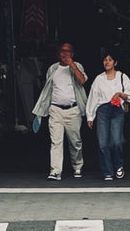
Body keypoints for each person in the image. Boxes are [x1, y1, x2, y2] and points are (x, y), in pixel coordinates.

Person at [31, 42, 88, 179]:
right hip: (55, 109)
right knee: (56, 141)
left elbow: (82, 80)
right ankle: (55, 170)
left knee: (75, 141)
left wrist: (72, 65)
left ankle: (77, 166)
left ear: (72, 54)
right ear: (58, 54)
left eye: (68, 51)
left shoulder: (77, 66)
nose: (65, 54)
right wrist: (42, 110)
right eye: (62, 51)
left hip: (73, 110)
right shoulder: (53, 69)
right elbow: (47, 91)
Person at [86, 53, 130, 180]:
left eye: (110, 60)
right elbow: (93, 97)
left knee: (116, 141)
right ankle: (107, 170)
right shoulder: (99, 79)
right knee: (103, 143)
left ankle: (118, 165)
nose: (107, 62)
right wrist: (90, 116)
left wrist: (120, 94)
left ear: (115, 63)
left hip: (117, 110)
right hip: (103, 110)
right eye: (105, 60)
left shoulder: (122, 77)